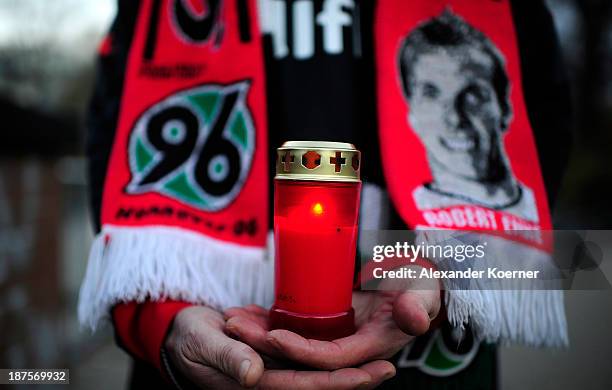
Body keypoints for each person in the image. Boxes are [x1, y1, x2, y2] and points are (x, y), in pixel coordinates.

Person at [80, 0, 571, 389]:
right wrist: (163, 320)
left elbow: (540, 122)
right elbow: (118, 146)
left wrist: (448, 273)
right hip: (214, 337)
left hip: (428, 348)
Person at [398, 10, 538, 222]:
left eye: (473, 96)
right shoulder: (397, 225)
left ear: (504, 108)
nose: (455, 118)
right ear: (411, 113)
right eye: (431, 95)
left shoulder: (541, 213)